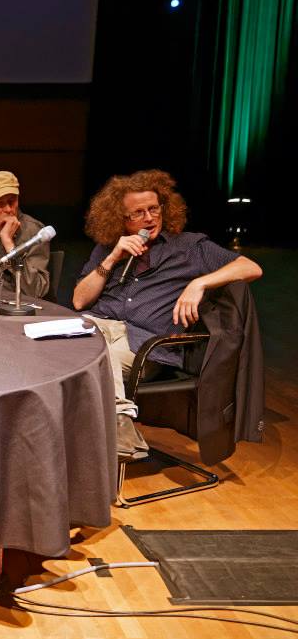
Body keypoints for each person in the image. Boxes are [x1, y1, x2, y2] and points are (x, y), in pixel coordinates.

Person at [72, 169, 262, 459]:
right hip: (97, 326)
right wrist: (112, 258)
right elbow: (79, 301)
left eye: (154, 208)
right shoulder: (109, 247)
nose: (149, 218)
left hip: (144, 345)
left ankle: (119, 424)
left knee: (96, 357)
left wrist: (200, 283)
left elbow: (251, 267)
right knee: (61, 349)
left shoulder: (188, 247)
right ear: (121, 219)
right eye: (138, 213)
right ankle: (97, 431)